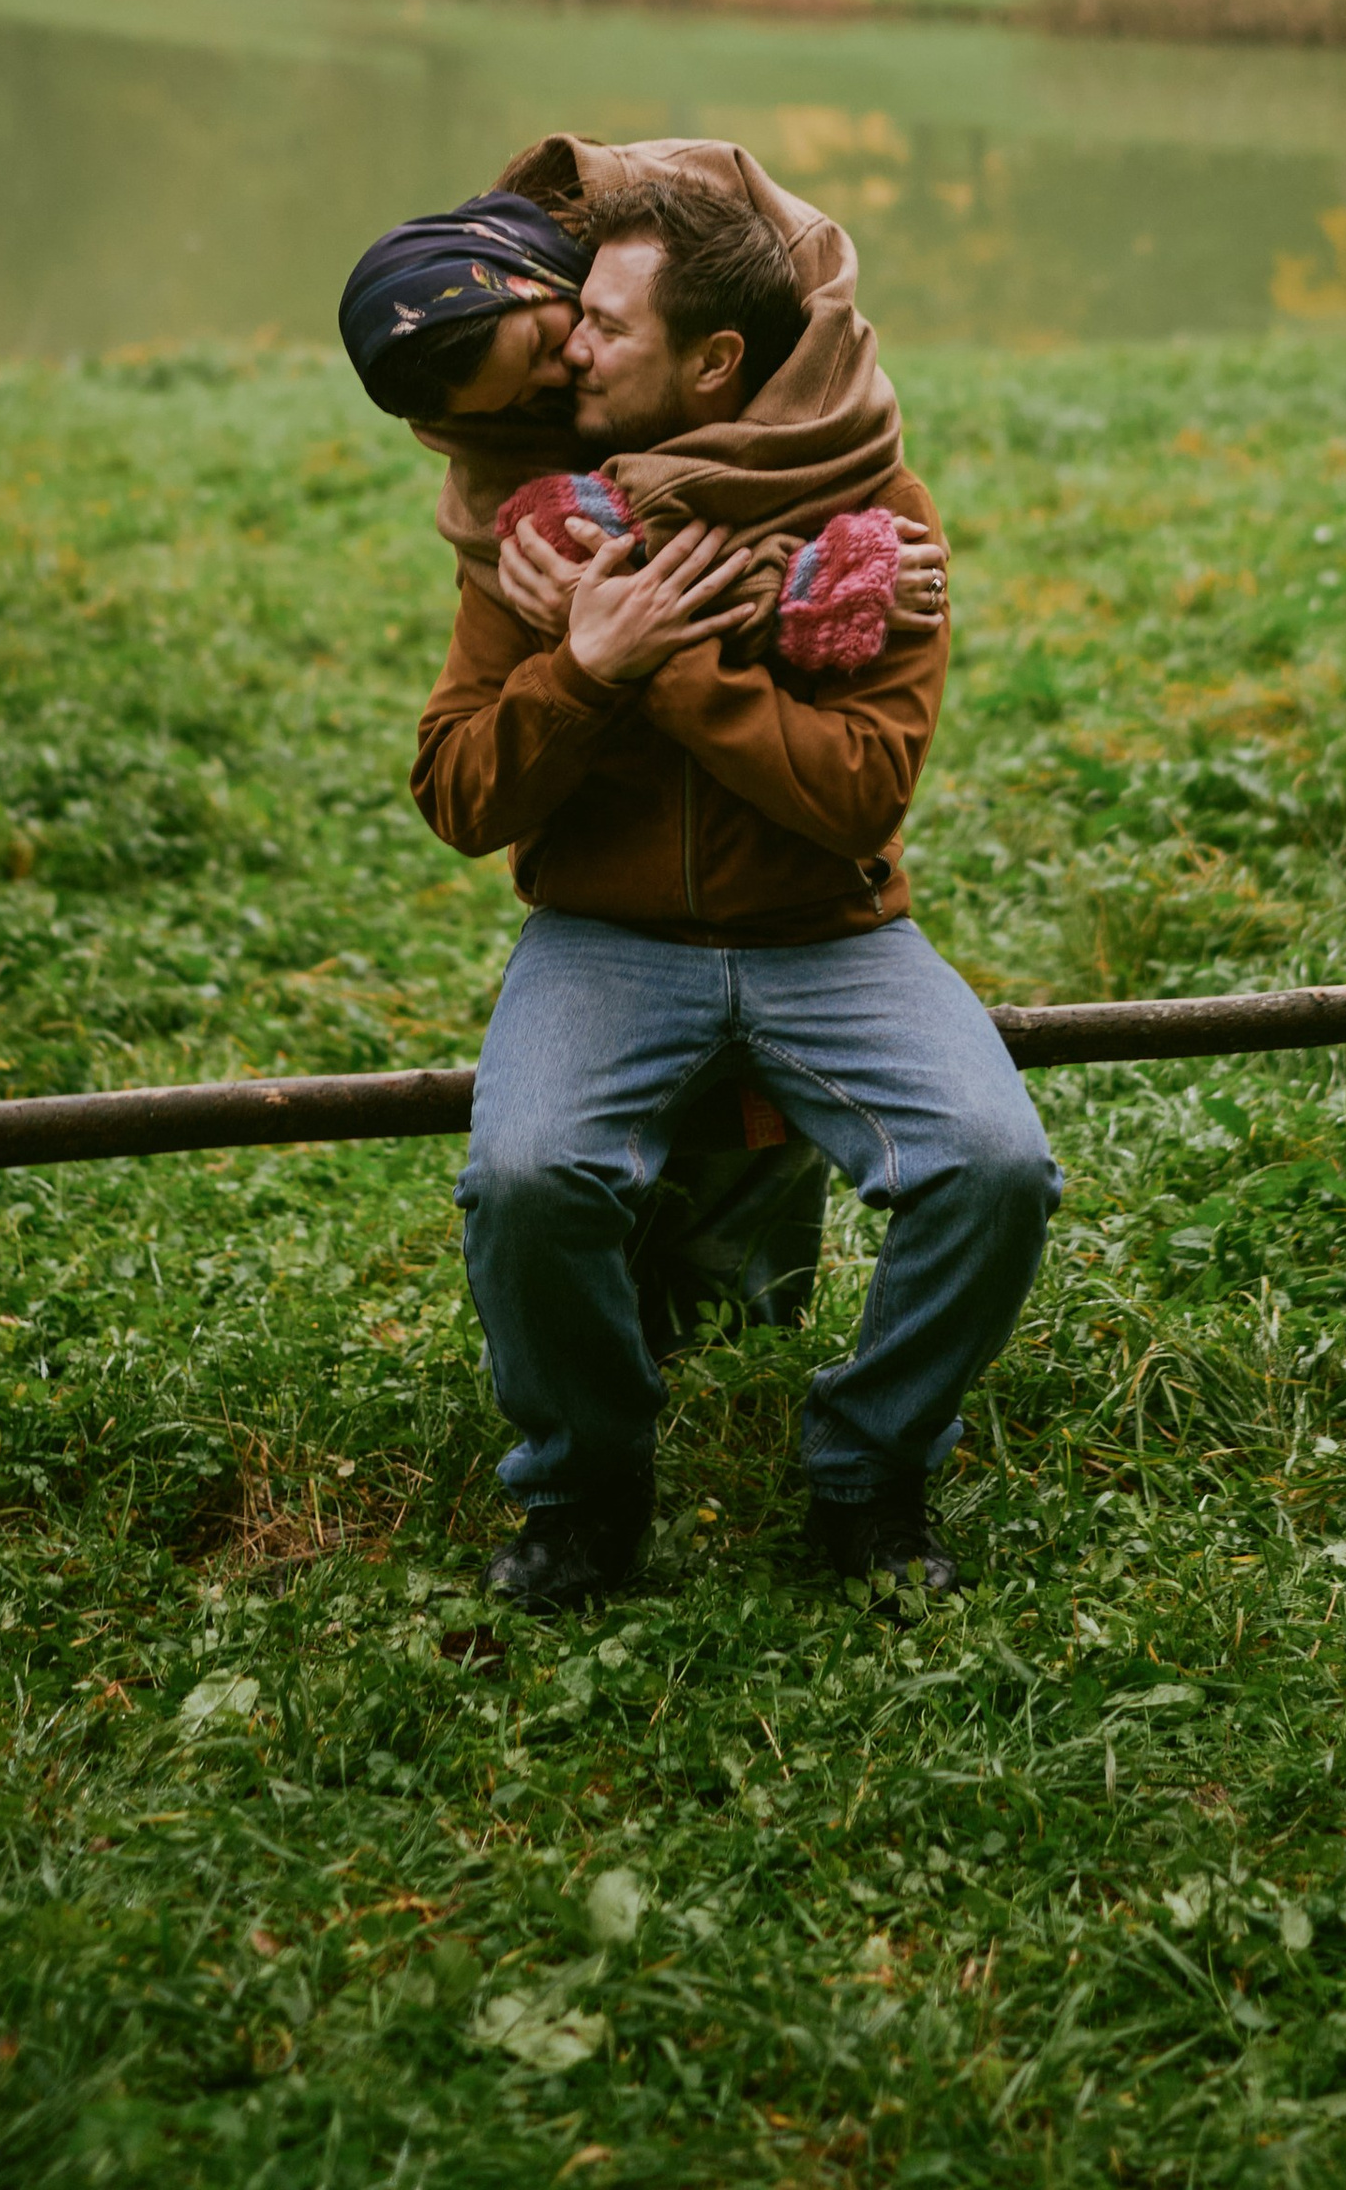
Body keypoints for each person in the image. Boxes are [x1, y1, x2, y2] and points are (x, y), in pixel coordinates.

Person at [410, 171, 1061, 1613]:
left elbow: (858, 795)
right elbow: (459, 790)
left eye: (608, 330)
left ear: (713, 363)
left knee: (992, 1165)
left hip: (830, 938)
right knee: (525, 1178)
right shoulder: (543, 525)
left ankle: (870, 1477)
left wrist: (664, 660)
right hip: (604, 937)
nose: (572, 351)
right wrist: (574, 673)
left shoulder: (874, 523)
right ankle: (587, 1495)